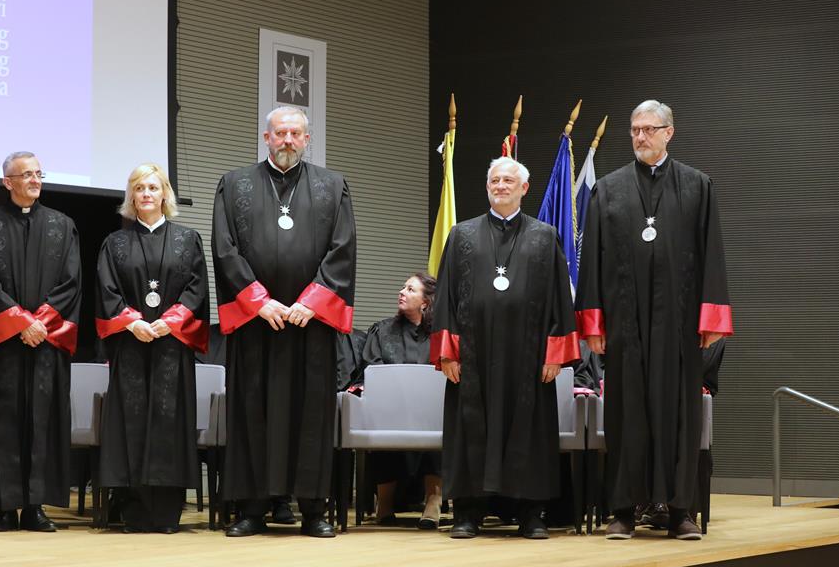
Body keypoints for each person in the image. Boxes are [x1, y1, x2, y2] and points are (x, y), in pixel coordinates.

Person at [576, 100, 733, 541]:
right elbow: (592, 263)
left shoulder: (697, 186)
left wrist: (711, 318)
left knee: (678, 414)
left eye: (649, 129)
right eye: (634, 130)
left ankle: (680, 511)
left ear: (669, 132)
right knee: (626, 414)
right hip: (624, 324)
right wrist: (593, 325)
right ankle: (624, 511)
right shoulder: (607, 189)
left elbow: (712, 255)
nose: (640, 137)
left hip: (679, 327)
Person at [212, 106, 356, 538]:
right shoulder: (234, 184)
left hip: (310, 325)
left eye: (296, 133)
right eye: (280, 133)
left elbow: (343, 249)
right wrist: (259, 302)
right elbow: (224, 249)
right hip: (257, 325)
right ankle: (252, 510)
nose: (288, 140)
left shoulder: (333, 186)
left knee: (311, 416)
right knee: (252, 413)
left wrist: (312, 302)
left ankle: (313, 511)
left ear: (307, 139)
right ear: (266, 137)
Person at [432, 156, 580, 539]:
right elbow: (445, 297)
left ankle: (531, 514)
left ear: (524, 188)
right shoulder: (461, 235)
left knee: (530, 430)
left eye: (508, 181)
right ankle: (468, 513)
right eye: (494, 180)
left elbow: (560, 301)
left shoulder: (545, 236)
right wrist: (447, 352)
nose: (500, 186)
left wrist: (555, 355)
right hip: (473, 356)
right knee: (469, 429)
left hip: (528, 357)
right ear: (487, 187)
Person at [0, 152, 81, 532]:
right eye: (26, 174)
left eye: (38, 173)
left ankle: (35, 506)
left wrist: (40, 323)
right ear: (7, 182)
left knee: (42, 418)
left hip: (45, 341)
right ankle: (2, 507)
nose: (34, 179)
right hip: (4, 343)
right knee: (3, 420)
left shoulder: (63, 226)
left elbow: (71, 283)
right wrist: (20, 323)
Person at [94, 163, 209, 533]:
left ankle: (166, 513)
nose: (146, 194)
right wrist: (133, 322)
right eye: (139, 188)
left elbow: (196, 288)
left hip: (172, 346)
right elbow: (107, 290)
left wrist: (170, 321)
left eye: (153, 187)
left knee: (168, 422)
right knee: (132, 422)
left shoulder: (187, 239)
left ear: (165, 194)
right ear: (131, 196)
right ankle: (133, 511)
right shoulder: (115, 244)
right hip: (131, 345)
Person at [360, 273, 444, 530]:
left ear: (425, 302)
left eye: (410, 289)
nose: (401, 292)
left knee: (439, 420)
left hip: (431, 410)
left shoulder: (441, 335)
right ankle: (384, 503)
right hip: (391, 408)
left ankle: (434, 500)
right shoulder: (382, 330)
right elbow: (372, 367)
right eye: (403, 287)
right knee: (384, 421)